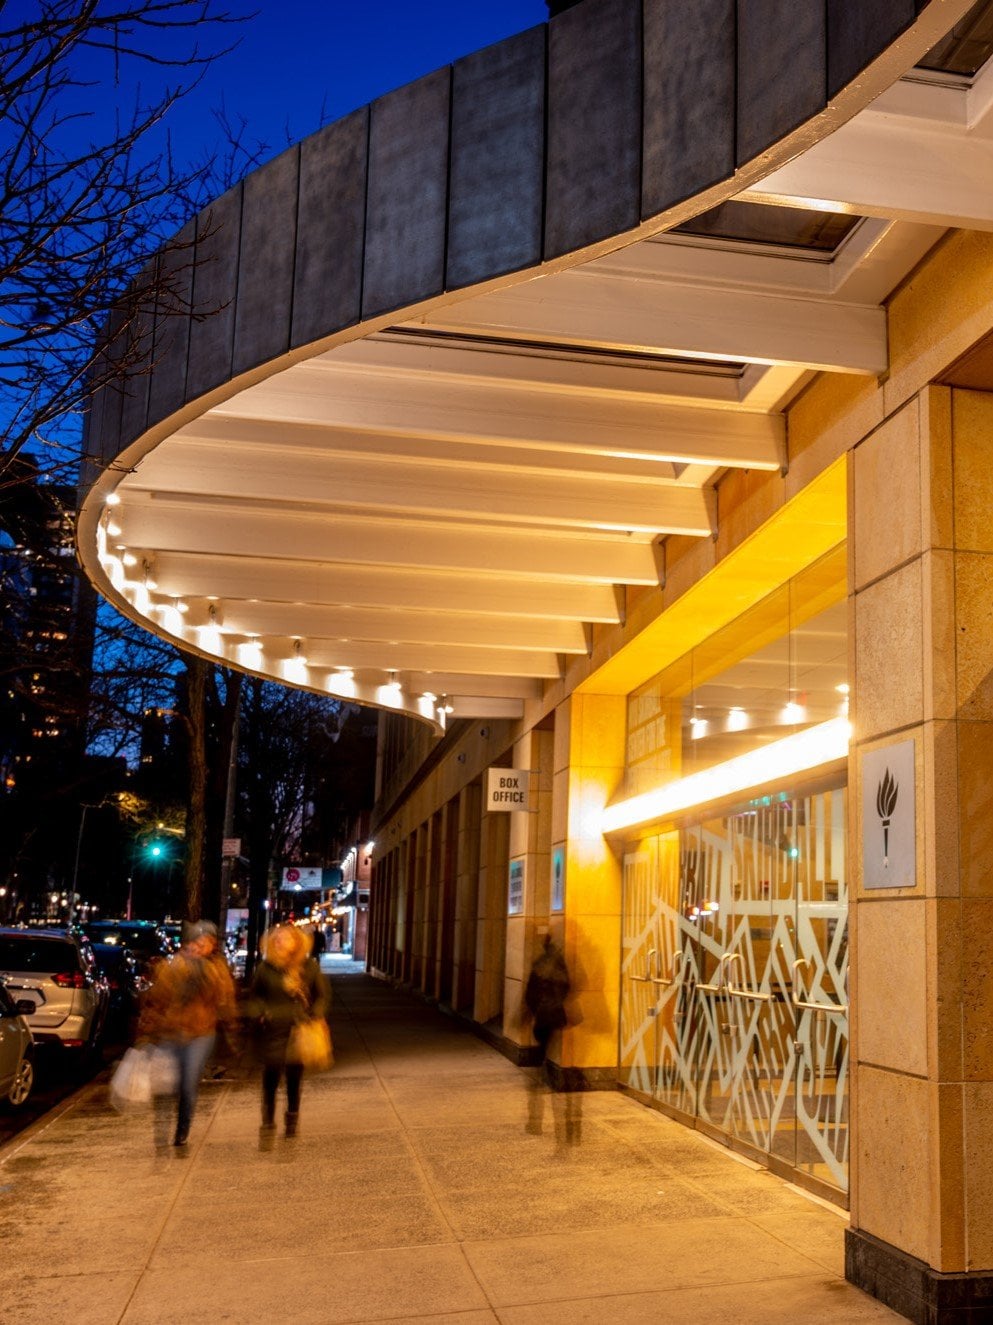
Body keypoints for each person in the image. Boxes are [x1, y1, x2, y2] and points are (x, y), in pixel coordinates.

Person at [137, 919, 236, 1149]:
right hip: (171, 1030)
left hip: (201, 1033)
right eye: (198, 941)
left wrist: (232, 1026)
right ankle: (162, 1127)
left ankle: (182, 1130)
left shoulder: (216, 968)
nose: (202, 946)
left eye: (207, 942)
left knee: (188, 1083)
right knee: (166, 1083)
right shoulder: (174, 965)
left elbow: (224, 999)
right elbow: (158, 996)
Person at [247, 923, 330, 1142]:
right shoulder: (266, 968)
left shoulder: (309, 967)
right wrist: (260, 1013)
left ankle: (291, 1120)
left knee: (294, 1078)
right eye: (277, 938)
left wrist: (315, 1014)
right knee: (270, 1077)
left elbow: (321, 995)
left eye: (285, 938)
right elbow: (255, 997)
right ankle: (267, 1123)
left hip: (298, 1029)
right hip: (273, 1029)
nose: (280, 941)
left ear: (296, 942)